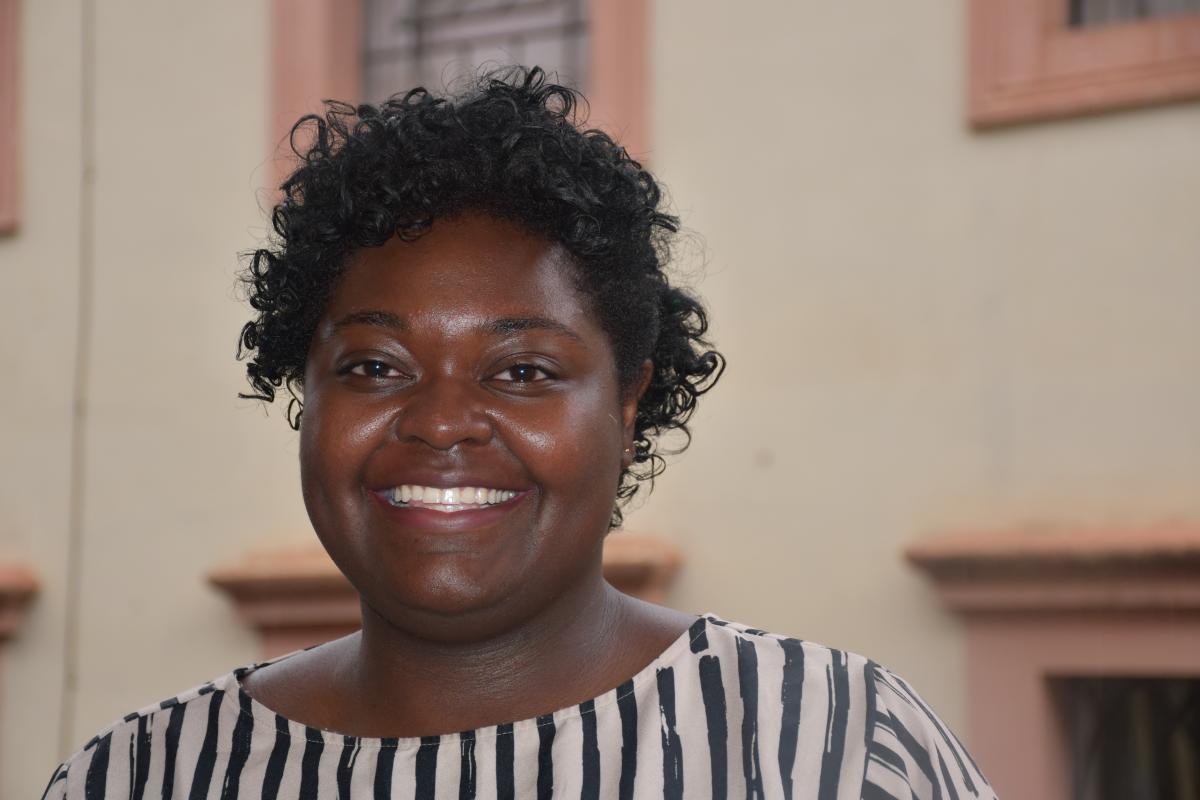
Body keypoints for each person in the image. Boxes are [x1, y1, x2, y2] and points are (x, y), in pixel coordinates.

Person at [42, 68, 996, 800]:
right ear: (308, 396)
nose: (440, 421)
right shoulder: (141, 776)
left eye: (524, 372)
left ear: (628, 404)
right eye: (374, 366)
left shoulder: (833, 750)